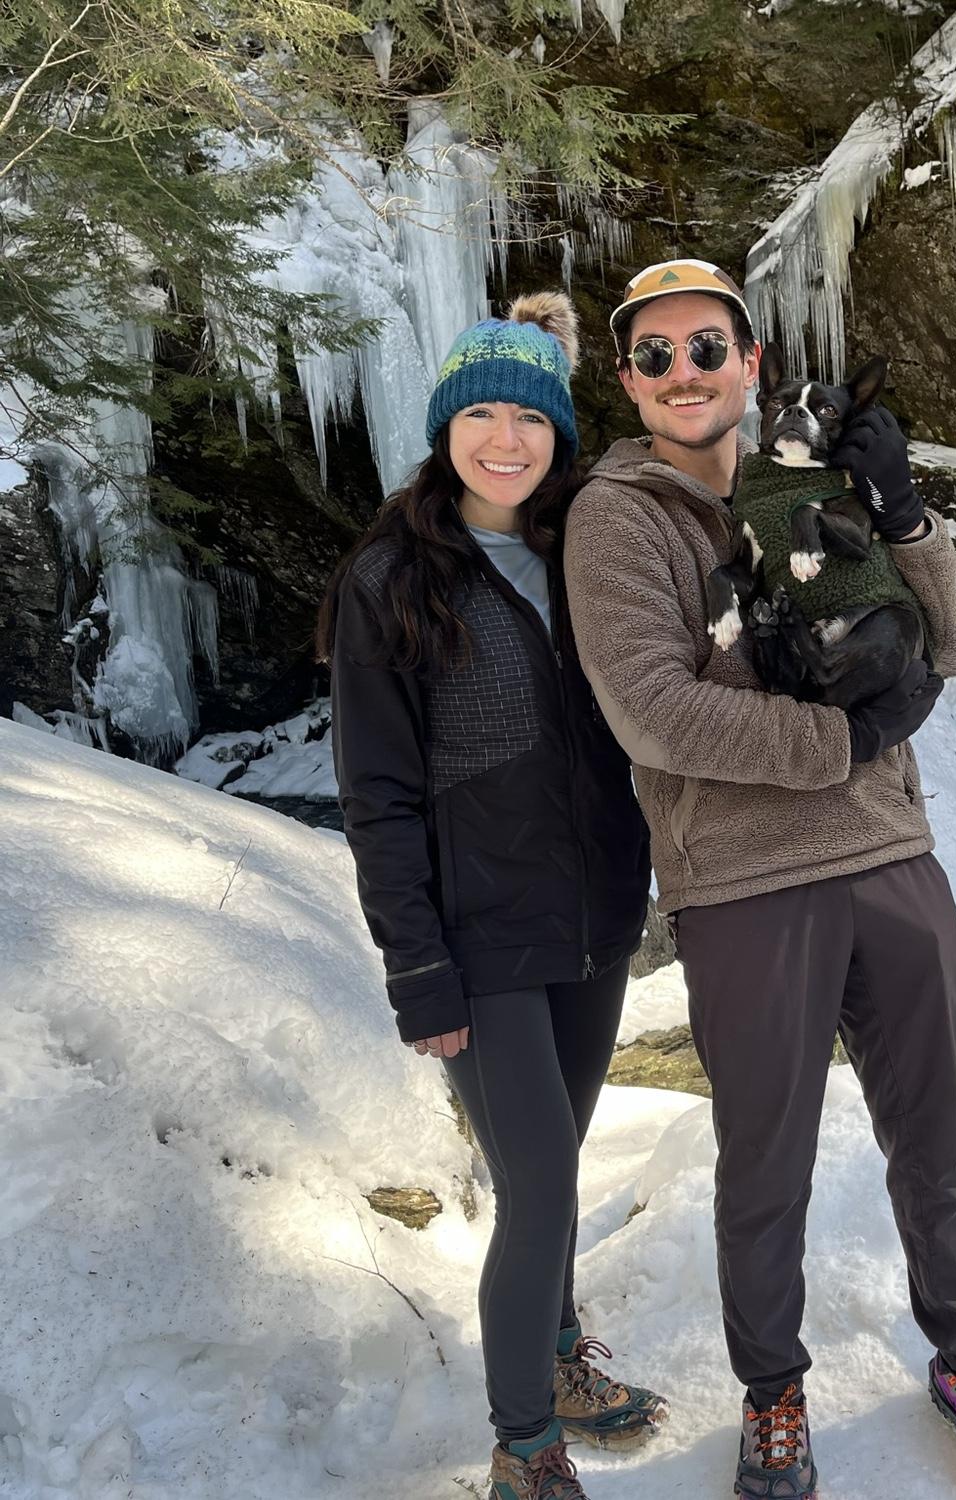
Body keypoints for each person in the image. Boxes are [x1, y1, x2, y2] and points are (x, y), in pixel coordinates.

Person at [562, 260, 956, 1499]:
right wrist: (842, 739)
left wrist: (904, 518)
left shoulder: (816, 475)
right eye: (657, 356)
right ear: (628, 381)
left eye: (707, 349)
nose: (686, 373)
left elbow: (946, 644)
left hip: (890, 860)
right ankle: (773, 1393)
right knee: (763, 1164)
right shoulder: (619, 517)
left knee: (932, 1144)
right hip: (740, 887)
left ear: (749, 363)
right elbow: (654, 712)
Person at [319, 293, 665, 1500]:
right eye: (483, 413)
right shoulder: (391, 578)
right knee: (542, 1182)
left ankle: (559, 1354)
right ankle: (526, 1447)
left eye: (532, 415)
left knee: (556, 1156)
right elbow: (377, 792)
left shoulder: (590, 550)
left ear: (561, 433)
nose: (506, 439)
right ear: (445, 425)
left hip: (595, 923)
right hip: (480, 941)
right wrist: (416, 966)